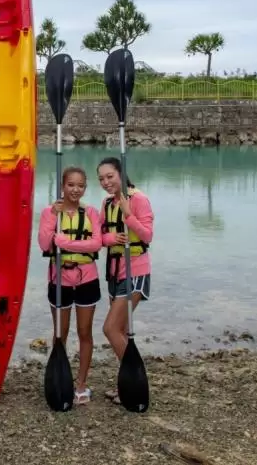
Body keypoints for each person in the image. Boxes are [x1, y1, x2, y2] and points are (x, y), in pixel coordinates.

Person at [37, 165, 104, 405]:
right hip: (59, 280)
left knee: (85, 332)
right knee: (60, 334)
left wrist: (64, 241)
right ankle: (60, 377)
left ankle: (82, 383)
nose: (75, 190)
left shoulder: (92, 213)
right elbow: (45, 245)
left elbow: (96, 244)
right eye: (70, 185)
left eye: (81, 185)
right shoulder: (50, 212)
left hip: (87, 279)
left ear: (85, 188)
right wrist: (52, 220)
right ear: (63, 186)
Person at [95, 156, 154, 405]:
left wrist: (129, 215)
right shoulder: (107, 203)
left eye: (110, 176)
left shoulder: (137, 199)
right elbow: (98, 235)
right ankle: (126, 383)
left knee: (109, 328)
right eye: (101, 179)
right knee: (119, 331)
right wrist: (109, 239)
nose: (106, 182)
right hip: (114, 271)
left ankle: (136, 380)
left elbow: (147, 235)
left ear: (121, 173)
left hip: (136, 271)